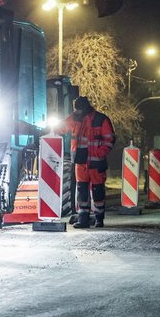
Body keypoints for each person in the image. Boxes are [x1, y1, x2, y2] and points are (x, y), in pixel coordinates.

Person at [59, 96, 116, 228]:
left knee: (97, 192)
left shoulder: (101, 119)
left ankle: (99, 219)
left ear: (85, 108)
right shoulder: (75, 118)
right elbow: (62, 127)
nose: (77, 112)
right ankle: (83, 219)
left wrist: (99, 154)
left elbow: (110, 140)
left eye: (79, 110)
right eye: (76, 110)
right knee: (82, 192)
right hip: (80, 162)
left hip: (96, 162)